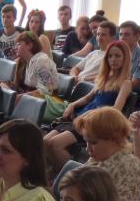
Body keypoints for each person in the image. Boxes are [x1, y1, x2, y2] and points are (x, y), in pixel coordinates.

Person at [44, 41, 132, 171]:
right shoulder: (104, 78)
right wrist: (72, 104)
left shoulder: (125, 83)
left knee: (55, 144)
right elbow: (87, 98)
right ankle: (58, 172)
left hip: (95, 123)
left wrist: (90, 115)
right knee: (45, 142)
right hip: (81, 117)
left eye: (117, 56)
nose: (113, 59)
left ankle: (74, 176)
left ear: (125, 59)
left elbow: (115, 109)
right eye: (110, 56)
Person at [77, 107, 140, 201]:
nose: (88, 148)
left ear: (113, 138)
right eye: (87, 142)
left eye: (94, 142)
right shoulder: (100, 158)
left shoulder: (128, 166)